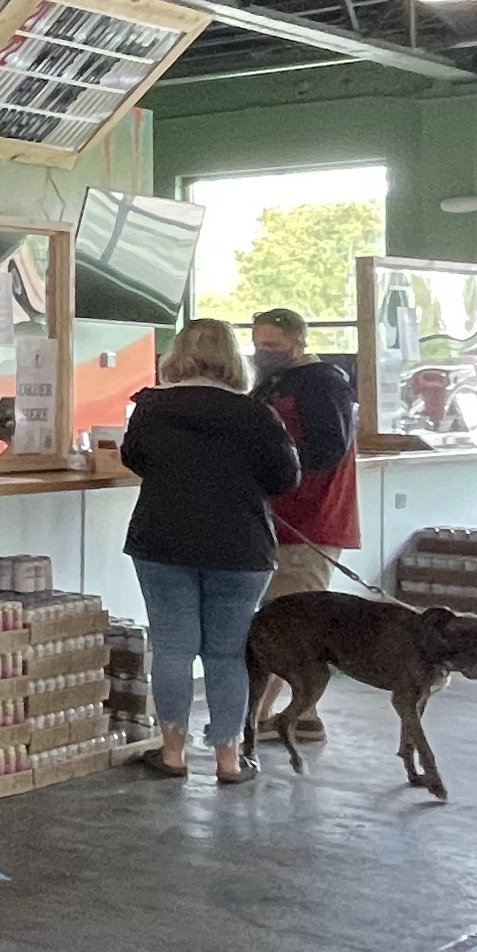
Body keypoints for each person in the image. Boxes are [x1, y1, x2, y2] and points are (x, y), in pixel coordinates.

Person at [118, 317, 299, 783]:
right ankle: (228, 759)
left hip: (163, 539)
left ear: (177, 355)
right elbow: (286, 478)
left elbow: (134, 458)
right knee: (227, 654)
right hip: (241, 547)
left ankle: (173, 753)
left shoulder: (151, 408)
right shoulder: (256, 414)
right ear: (233, 358)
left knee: (173, 650)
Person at [248, 307, 361, 744]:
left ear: (298, 342)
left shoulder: (323, 383)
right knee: (283, 619)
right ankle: (300, 714)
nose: (263, 351)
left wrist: (270, 454)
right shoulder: (273, 382)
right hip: (277, 518)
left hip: (310, 519)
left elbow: (327, 449)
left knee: (289, 622)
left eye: (272, 345)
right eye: (258, 343)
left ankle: (261, 717)